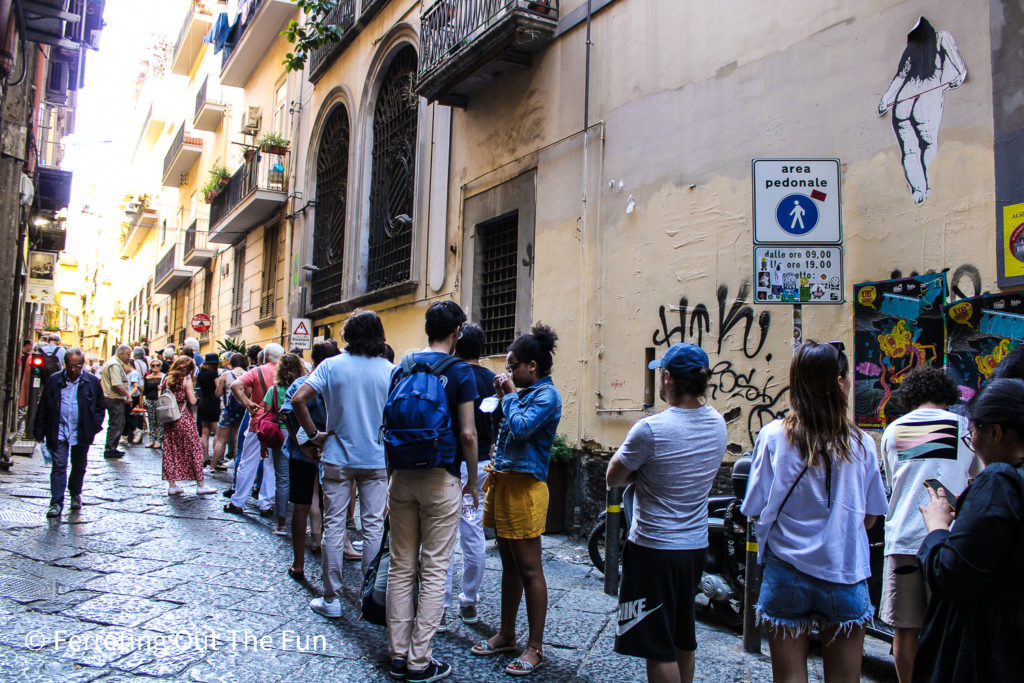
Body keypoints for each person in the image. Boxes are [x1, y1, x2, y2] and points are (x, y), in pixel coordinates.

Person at [740, 341, 889, 683]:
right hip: (844, 570)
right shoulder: (862, 443)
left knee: (789, 676)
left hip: (786, 570)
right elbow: (870, 518)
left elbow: (754, 506)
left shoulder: (774, 436)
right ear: (840, 382)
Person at [604, 343, 726, 683]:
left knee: (656, 645)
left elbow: (613, 476)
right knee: (682, 635)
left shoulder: (651, 429)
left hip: (654, 548)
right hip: (694, 547)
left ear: (668, 378)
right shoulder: (717, 423)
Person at [384, 301, 478, 683]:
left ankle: (396, 654)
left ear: (427, 329)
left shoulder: (402, 367)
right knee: (435, 566)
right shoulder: (460, 372)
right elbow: (468, 434)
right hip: (441, 477)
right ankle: (420, 660)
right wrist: (472, 479)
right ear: (457, 332)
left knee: (401, 566)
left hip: (401, 477)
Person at [914, 378, 1024, 682]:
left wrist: (937, 527)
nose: (972, 443)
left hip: (987, 653)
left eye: (972, 434)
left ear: (996, 432)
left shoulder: (1000, 480)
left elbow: (950, 574)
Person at [879, 366, 981, 683]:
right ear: (947, 398)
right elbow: (977, 478)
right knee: (951, 629)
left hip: (903, 541)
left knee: (905, 631)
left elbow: (892, 481)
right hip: (950, 542)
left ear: (911, 397)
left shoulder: (895, 430)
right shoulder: (964, 428)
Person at [469, 324, 561, 677]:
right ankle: (507, 633)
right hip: (505, 481)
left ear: (532, 366)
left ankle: (535, 646)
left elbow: (522, 429)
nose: (508, 372)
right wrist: (505, 396)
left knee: (530, 568)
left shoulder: (546, 396)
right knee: (509, 565)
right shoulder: (524, 392)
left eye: (512, 366)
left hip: (526, 488)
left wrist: (508, 395)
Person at [291, 312, 394, 617]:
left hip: (336, 454)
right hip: (376, 456)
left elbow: (298, 400)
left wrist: (314, 435)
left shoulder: (331, 366)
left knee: (334, 524)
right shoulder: (391, 370)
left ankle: (331, 598)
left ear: (349, 335)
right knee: (373, 524)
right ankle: (370, 596)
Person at [440, 324, 497, 631]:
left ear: (457, 347)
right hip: (484, 462)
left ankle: (441, 604)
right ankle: (469, 601)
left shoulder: (451, 375)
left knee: (444, 535)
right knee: (473, 531)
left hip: (453, 462)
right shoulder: (492, 380)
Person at [281, 341, 340, 580]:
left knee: (301, 506)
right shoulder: (336, 384)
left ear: (313, 360)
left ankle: (298, 563)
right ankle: (331, 566)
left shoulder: (300, 383)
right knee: (332, 509)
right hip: (332, 452)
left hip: (302, 454)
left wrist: (304, 445)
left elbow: (287, 413)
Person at [33, 348, 105, 518]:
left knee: (79, 466)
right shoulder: (54, 380)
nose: (73, 370)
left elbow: (100, 407)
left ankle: (75, 493)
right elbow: (43, 405)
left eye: (77, 366)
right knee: (59, 466)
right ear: (65, 364)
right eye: (70, 366)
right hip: (59, 430)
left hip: (81, 432)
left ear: (83, 365)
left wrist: (93, 426)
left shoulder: (92, 382)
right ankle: (56, 502)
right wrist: (39, 429)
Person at [224, 343, 283, 516]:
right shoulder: (286, 373)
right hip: (278, 425)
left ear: (264, 357)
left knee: (248, 462)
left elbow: (235, 385)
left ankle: (238, 501)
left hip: (258, 423)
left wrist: (248, 403)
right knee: (271, 465)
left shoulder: (257, 371)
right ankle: (266, 504)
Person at [261, 353, 305, 534]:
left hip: (280, 434)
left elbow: (266, 417)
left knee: (283, 480)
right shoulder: (303, 388)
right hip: (300, 433)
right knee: (301, 478)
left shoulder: (273, 391)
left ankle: (281, 523)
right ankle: (301, 522)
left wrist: (264, 445)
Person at [161, 356, 216, 496]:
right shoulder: (186, 380)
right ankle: (200, 485)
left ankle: (172, 485)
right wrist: (197, 398)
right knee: (194, 449)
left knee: (171, 450)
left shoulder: (166, 380)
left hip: (170, 419)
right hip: (184, 417)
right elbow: (191, 401)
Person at [211, 353, 247, 470]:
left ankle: (212, 466)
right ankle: (237, 466)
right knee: (237, 439)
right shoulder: (247, 375)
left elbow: (217, 393)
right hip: (242, 409)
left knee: (221, 440)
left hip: (228, 409)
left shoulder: (225, 375)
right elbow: (249, 393)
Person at [100, 345, 133, 459]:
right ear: (120, 354)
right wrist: (127, 395)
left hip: (111, 396)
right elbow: (116, 383)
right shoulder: (115, 365)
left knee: (117, 423)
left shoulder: (113, 363)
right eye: (128, 354)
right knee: (116, 424)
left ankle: (112, 447)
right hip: (113, 397)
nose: (129, 357)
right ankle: (110, 448)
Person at [196, 353, 222, 466]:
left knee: (204, 432)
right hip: (213, 403)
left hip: (203, 402)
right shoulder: (213, 374)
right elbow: (218, 390)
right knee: (217, 432)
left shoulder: (201, 374)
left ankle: (205, 457)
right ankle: (216, 458)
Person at [143, 359, 164, 449]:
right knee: (151, 420)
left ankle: (159, 440)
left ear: (160, 366)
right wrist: (144, 400)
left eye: (157, 365)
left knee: (160, 421)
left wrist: (161, 388)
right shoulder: (148, 378)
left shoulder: (163, 377)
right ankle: (152, 439)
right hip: (150, 400)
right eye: (153, 365)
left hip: (159, 400)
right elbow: (145, 390)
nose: (155, 367)